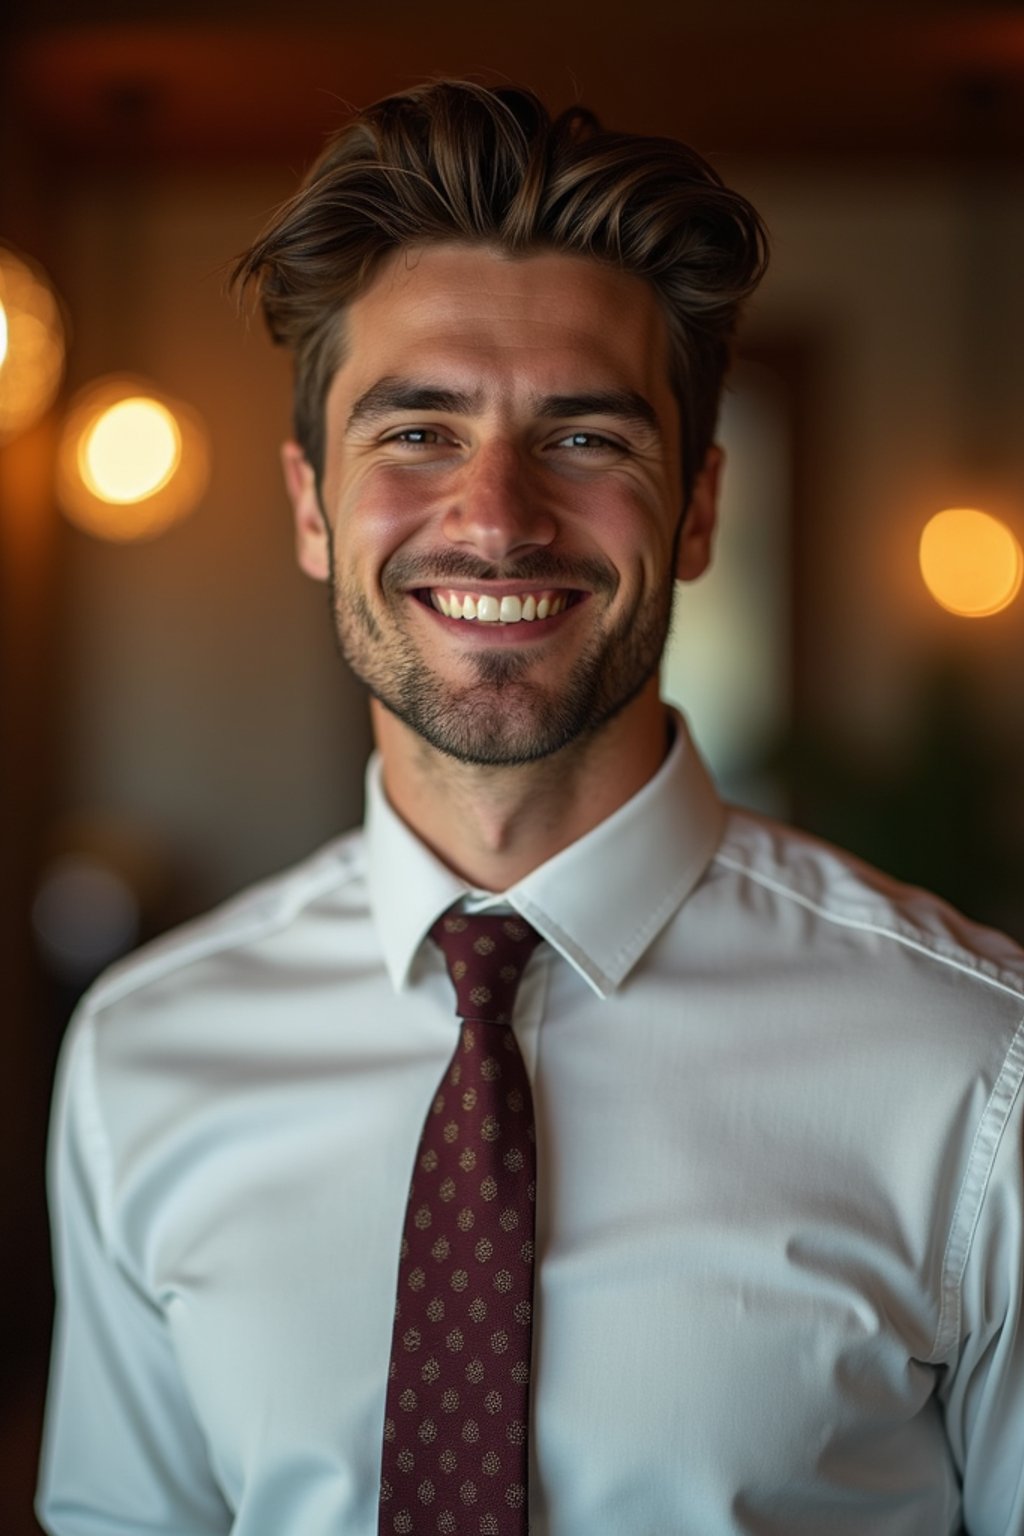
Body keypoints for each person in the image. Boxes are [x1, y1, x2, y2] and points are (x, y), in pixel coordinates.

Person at [37, 80, 1024, 1536]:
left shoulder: (977, 1072)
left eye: (585, 438)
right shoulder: (143, 1054)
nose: (497, 516)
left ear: (695, 509)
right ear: (314, 509)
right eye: (417, 433)